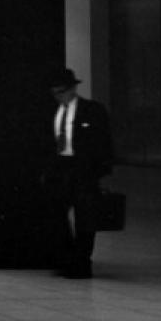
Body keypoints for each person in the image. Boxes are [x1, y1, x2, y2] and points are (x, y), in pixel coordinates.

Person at [43, 67, 113, 278]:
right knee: (56, 216)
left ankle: (81, 262)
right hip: (60, 168)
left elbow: (103, 143)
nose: (59, 96)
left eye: (62, 91)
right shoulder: (53, 112)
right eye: (55, 92)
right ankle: (66, 258)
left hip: (83, 169)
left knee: (85, 219)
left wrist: (98, 173)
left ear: (72, 89)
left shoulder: (92, 110)